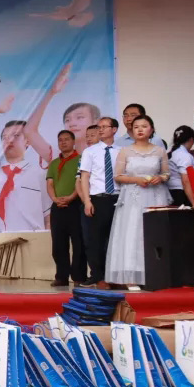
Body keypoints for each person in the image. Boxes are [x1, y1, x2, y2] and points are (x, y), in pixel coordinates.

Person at [0, 64, 69, 231]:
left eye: (16, 135)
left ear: (28, 141)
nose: (9, 140)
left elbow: (48, 217)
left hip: (32, 239)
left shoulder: (40, 174)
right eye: (5, 137)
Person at [103, 115, 170, 289]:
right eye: (136, 127)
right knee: (132, 233)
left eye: (144, 126)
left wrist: (160, 178)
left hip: (155, 196)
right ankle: (131, 276)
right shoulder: (125, 151)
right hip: (133, 197)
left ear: (151, 129)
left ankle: (154, 274)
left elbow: (166, 173)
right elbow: (118, 176)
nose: (140, 129)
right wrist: (136, 180)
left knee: (154, 234)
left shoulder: (159, 151)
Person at [78, 116, 120, 287]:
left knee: (115, 239)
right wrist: (87, 201)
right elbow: (84, 177)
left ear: (114, 130)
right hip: (97, 198)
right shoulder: (90, 151)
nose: (100, 129)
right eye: (99, 127)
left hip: (118, 198)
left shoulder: (122, 151)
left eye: (104, 127)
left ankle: (114, 276)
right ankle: (97, 275)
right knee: (95, 239)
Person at [46, 130, 86, 287]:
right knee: (58, 244)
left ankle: (79, 277)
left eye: (67, 139)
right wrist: (55, 199)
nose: (63, 142)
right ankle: (61, 276)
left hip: (76, 205)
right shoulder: (54, 163)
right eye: (60, 140)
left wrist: (71, 197)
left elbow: (82, 181)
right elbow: (50, 184)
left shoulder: (82, 159)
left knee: (79, 243)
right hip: (57, 206)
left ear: (73, 141)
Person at [167, 125, 194, 207]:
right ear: (191, 140)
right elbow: (185, 181)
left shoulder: (170, 152)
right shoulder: (184, 155)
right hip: (182, 193)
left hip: (170, 191)